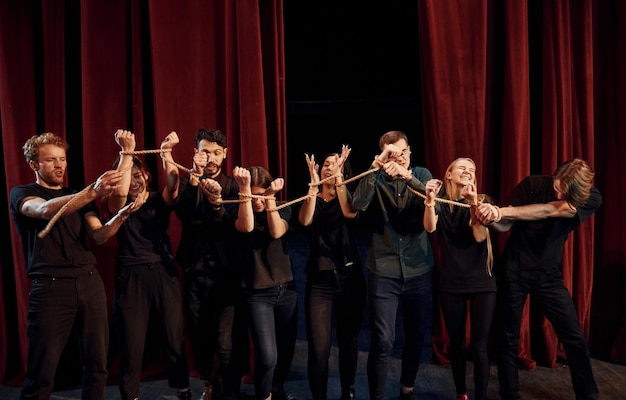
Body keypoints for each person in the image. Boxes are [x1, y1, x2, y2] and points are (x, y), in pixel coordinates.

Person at [9, 132, 131, 400]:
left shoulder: (77, 195)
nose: (59, 165)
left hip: (89, 282)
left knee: (98, 365)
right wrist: (92, 192)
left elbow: (99, 235)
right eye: (50, 160)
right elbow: (44, 210)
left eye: (62, 159)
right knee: (42, 373)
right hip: (51, 288)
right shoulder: (22, 193)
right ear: (34, 165)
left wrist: (120, 217)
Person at [475, 157, 601, 400]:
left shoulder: (591, 199)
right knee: (508, 338)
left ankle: (589, 395)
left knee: (573, 336)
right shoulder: (532, 185)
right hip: (514, 271)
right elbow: (505, 226)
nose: (558, 190)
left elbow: (550, 209)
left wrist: (503, 211)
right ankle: (509, 394)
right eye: (557, 183)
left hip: (548, 276)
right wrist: (493, 217)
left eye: (565, 190)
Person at [99, 129, 192, 400]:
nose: (135, 182)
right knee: (132, 341)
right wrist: (126, 153)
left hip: (163, 272)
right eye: (130, 177)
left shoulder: (156, 199)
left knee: (174, 335)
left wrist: (167, 154)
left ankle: (183, 389)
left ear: (147, 177)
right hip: (131, 274)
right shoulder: (116, 202)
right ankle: (130, 394)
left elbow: (173, 186)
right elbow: (118, 191)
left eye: (139, 176)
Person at [351, 130, 434, 400]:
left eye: (402, 152)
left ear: (409, 152)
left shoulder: (421, 174)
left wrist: (408, 177)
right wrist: (376, 167)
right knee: (383, 340)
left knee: (416, 334)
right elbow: (357, 204)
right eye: (392, 153)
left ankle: (406, 389)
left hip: (418, 269)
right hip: (383, 269)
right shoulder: (376, 177)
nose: (398, 158)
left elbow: (435, 207)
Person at [174, 128, 242, 400]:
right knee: (199, 337)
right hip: (194, 271)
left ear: (225, 154)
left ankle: (229, 388)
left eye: (216, 152)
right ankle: (210, 382)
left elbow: (237, 227)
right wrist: (194, 180)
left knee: (226, 342)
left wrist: (216, 205)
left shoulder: (235, 185)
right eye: (205, 151)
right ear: (196, 153)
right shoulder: (185, 183)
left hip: (226, 274)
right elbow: (184, 215)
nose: (210, 157)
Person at [423, 158, 496, 400]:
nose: (468, 172)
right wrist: (430, 202)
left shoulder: (484, 201)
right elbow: (430, 228)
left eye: (472, 170)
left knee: (479, 345)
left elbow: (478, 236)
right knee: (456, 344)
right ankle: (461, 394)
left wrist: (474, 203)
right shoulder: (442, 204)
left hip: (482, 283)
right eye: (462, 168)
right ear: (449, 175)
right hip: (452, 282)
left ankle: (481, 396)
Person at [298, 146, 366, 400]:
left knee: (348, 342)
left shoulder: (350, 196)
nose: (329, 165)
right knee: (319, 349)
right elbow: (304, 221)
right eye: (326, 163)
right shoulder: (313, 197)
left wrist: (339, 179)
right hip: (319, 281)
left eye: (335, 163)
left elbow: (350, 212)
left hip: (349, 279)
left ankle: (348, 392)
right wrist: (313, 187)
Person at [232, 165, 298, 400]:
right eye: (254, 194)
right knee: (267, 355)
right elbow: (247, 226)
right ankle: (264, 396)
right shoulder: (240, 210)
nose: (258, 200)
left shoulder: (282, 208)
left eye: (263, 194)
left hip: (286, 290)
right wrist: (244, 191)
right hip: (258, 294)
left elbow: (277, 231)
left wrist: (270, 201)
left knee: (286, 351)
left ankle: (277, 390)